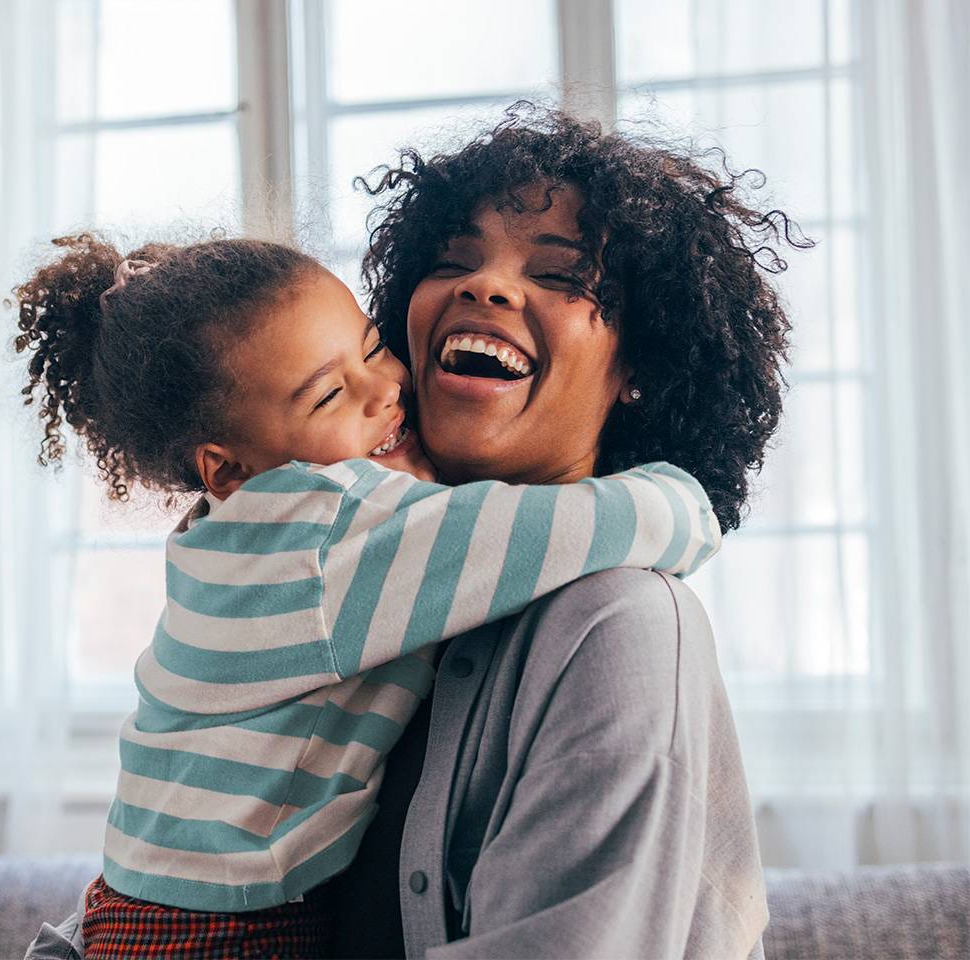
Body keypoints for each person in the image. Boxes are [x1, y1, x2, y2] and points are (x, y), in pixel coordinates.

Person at [11, 232, 722, 959]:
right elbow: (590, 526)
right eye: (329, 395)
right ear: (230, 469)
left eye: (374, 347)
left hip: (144, 910)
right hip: (222, 934)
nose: (386, 389)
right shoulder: (325, 527)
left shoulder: (241, 533)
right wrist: (690, 497)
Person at [316, 103, 806, 958]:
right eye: (452, 262)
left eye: (561, 275)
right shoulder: (348, 577)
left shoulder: (623, 624)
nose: (485, 286)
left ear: (640, 368)